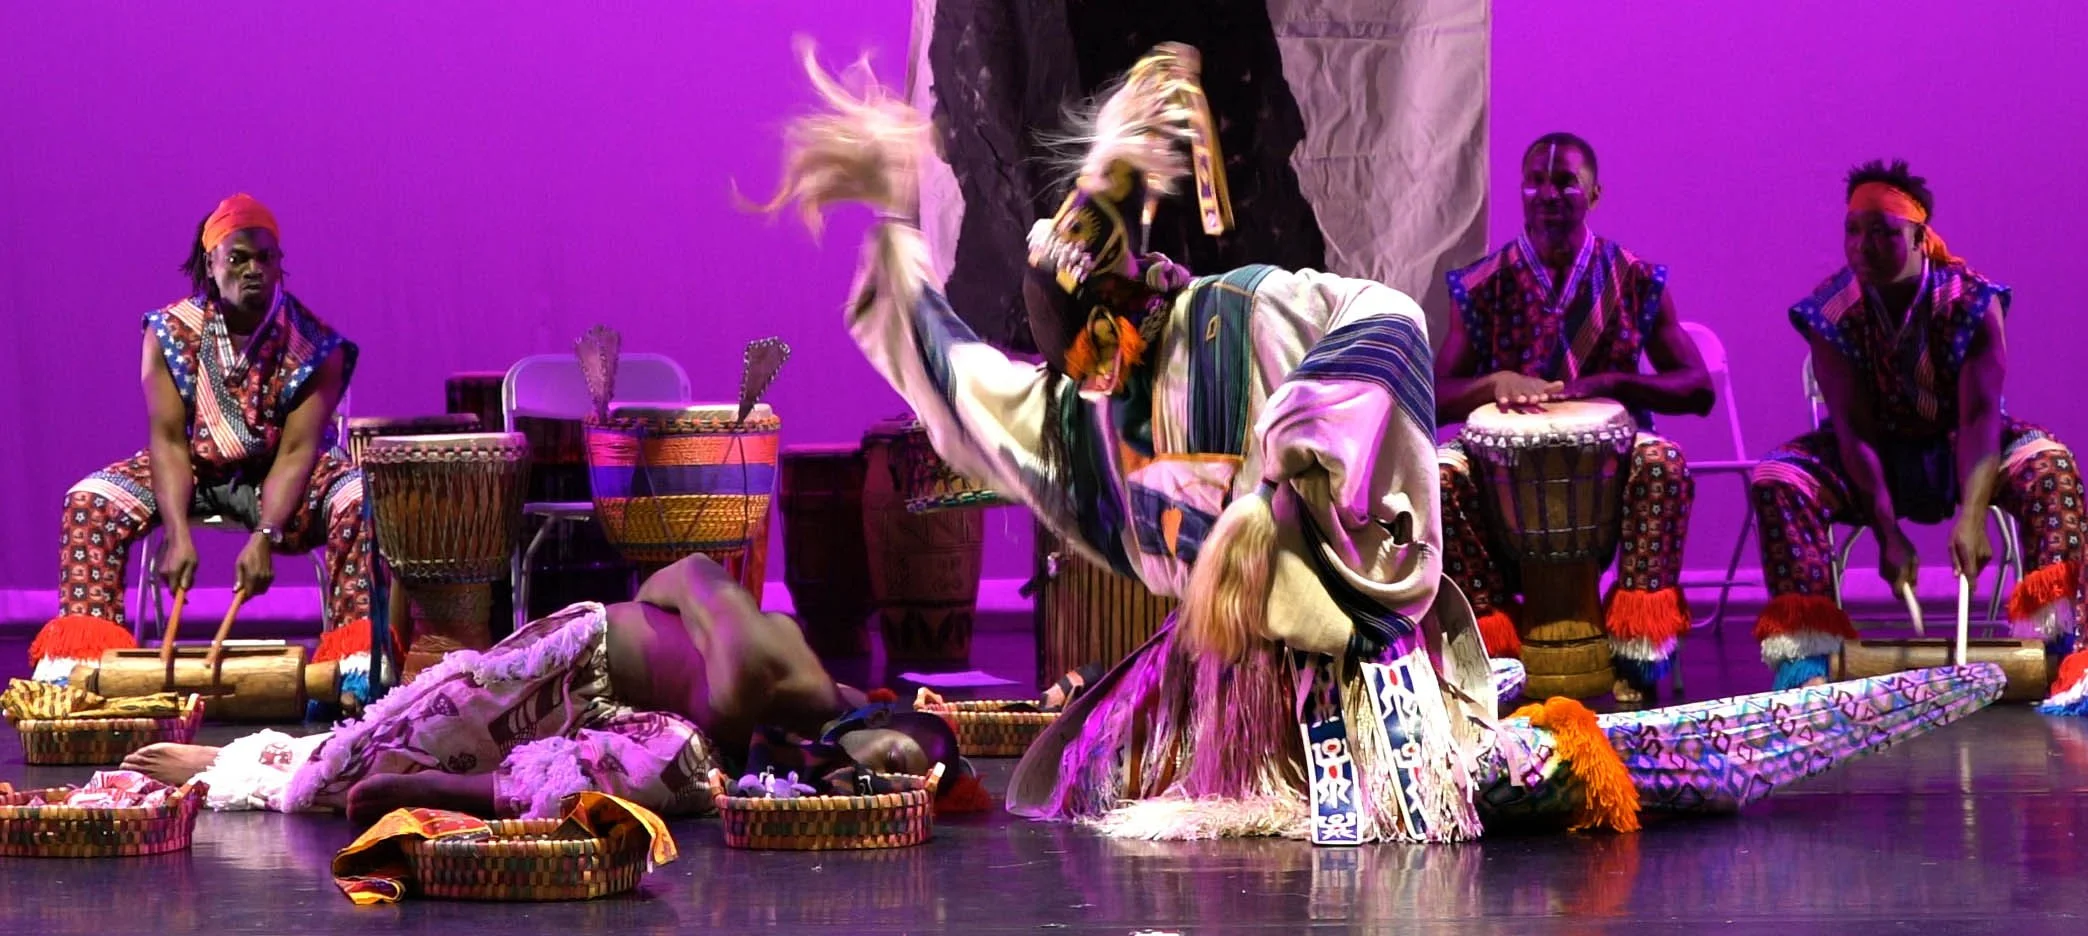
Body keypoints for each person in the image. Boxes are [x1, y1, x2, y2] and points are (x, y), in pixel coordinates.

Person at [760, 41, 2002, 845]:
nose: (1136, 276)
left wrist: (1289, 483)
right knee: (1099, 794)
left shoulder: (1239, 310)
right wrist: (883, 225)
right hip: (1229, 689)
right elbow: (960, 373)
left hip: (1347, 667)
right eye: (1109, 288)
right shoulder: (1082, 421)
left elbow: (1387, 324)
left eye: (1119, 271)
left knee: (1513, 788)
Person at [121, 554, 977, 821]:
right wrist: (654, 632)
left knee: (671, 768)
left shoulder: (809, 704)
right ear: (878, 718)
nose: (895, 773)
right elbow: (688, 568)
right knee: (358, 759)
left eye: (903, 775)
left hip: (622, 707)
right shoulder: (765, 650)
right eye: (899, 756)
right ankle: (231, 762)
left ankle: (456, 787)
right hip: (579, 665)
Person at [1749, 160, 2086, 694]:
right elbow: (1852, 432)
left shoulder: (1973, 301)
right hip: (1873, 458)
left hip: (1962, 452)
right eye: (1854, 229)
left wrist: (1972, 518)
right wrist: (1887, 532)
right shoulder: (1832, 311)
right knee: (1778, 477)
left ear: (1918, 236)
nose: (1863, 244)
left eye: (1883, 231)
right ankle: (1807, 665)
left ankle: (2065, 656)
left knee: (2052, 466)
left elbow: (1979, 418)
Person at [30, 194, 383, 695]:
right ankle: (84, 677)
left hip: (281, 478)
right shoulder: (169, 331)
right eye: (238, 257)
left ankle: (354, 673)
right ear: (211, 264)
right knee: (91, 500)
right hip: (192, 468)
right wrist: (177, 533)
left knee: (357, 497)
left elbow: (298, 451)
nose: (254, 268)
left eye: (265, 257)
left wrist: (264, 535)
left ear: (281, 264)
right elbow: (168, 440)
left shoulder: (316, 346)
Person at [1434, 133, 1714, 703]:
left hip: (1609, 479)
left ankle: (1638, 651)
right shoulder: (1482, 284)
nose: (1549, 193)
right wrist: (1493, 383)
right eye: (1536, 180)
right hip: (1502, 480)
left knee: (1664, 462)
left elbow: (1696, 387)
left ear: (1594, 192)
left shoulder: (1635, 280)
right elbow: (1433, 395)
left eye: (1565, 181)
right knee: (1438, 475)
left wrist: (1612, 382)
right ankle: (1495, 650)